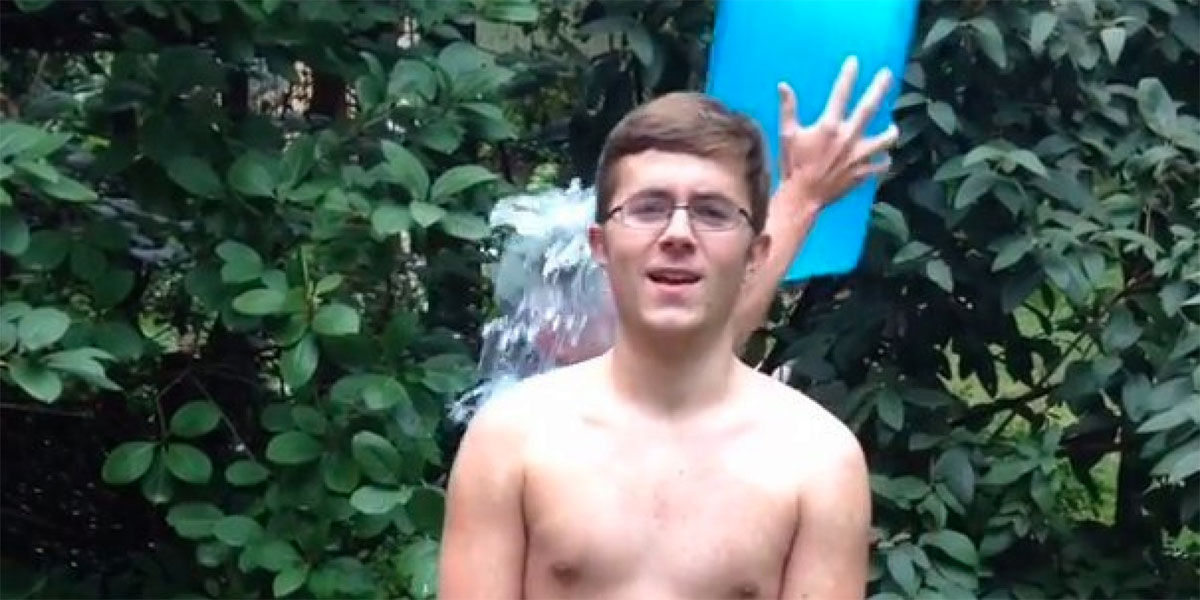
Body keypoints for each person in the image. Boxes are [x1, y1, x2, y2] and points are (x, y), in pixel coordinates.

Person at [439, 58, 897, 599]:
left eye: (712, 212)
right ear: (600, 245)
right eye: (648, 208)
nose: (678, 232)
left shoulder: (817, 461)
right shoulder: (511, 440)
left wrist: (802, 197)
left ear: (756, 253)